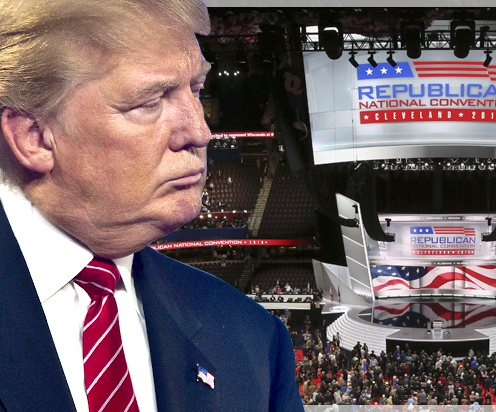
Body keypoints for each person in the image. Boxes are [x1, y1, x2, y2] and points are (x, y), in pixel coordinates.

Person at [0, 1, 303, 412]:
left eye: (196, 89)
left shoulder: (254, 340)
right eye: (150, 102)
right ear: (34, 137)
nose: (200, 132)